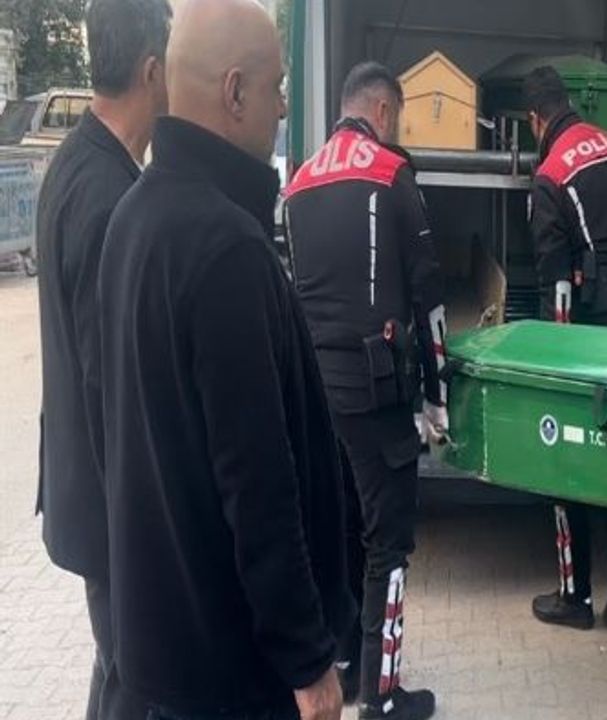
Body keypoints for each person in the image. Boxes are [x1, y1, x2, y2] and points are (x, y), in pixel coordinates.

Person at [96, 1, 354, 718]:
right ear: (235, 92)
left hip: (163, 653)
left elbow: (110, 428)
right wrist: (308, 663)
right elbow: (259, 482)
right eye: (277, 87)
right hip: (234, 675)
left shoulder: (133, 219)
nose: (283, 106)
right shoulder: (226, 249)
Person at [283, 61, 444, 720]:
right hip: (377, 394)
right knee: (389, 542)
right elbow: (428, 296)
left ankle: (349, 667)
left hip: (315, 395)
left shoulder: (297, 183)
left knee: (339, 530)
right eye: (396, 117)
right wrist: (438, 394)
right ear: (382, 110)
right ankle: (383, 695)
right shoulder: (392, 174)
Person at [33, 1, 170, 717]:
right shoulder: (112, 198)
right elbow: (105, 380)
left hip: (86, 491)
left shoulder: (74, 164)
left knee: (120, 671)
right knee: (137, 680)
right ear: (152, 70)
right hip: (112, 508)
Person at [523, 66, 607, 631]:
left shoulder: (550, 174)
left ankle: (573, 595)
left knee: (568, 457)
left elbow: (555, 278)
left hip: (590, 324)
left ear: (535, 119)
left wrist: (557, 352)